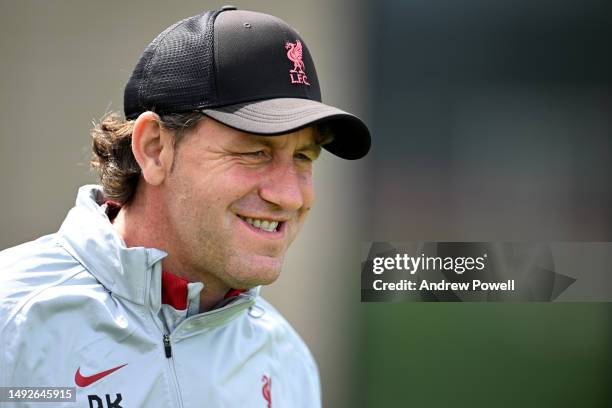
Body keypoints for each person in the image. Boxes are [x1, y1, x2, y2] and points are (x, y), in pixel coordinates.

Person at [0, 7, 370, 407]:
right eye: (255, 152)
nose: (290, 196)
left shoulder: (287, 363)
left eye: (303, 157)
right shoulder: (12, 318)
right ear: (154, 149)